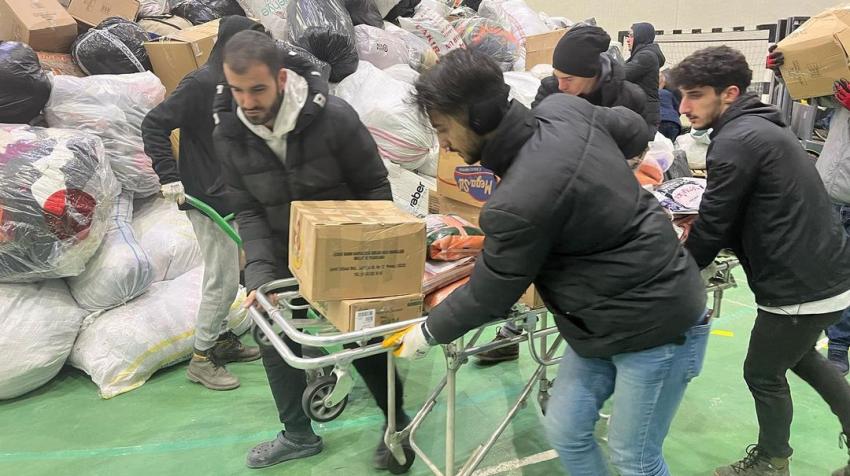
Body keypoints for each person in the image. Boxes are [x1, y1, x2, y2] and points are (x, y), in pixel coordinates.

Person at [385, 49, 710, 476]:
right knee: (566, 430)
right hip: (598, 322)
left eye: (444, 128)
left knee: (635, 458)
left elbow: (490, 292)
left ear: (480, 117)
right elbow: (631, 126)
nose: (443, 144)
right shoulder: (563, 109)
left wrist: (427, 332)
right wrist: (615, 171)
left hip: (659, 325)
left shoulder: (519, 200)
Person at [212, 31, 413, 471]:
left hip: (348, 247)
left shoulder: (334, 118)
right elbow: (247, 208)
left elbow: (374, 185)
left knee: (364, 338)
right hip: (286, 251)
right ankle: (298, 435)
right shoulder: (229, 134)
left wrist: (366, 252)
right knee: (271, 332)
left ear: (282, 79)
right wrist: (261, 275)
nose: (247, 101)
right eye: (238, 90)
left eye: (258, 89)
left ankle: (397, 426)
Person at [670, 45, 850, 476]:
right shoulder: (760, 125)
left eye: (695, 95)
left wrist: (674, 271)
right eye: (682, 95)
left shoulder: (736, 140)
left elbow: (715, 224)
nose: (683, 106)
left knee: (762, 373)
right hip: (824, 269)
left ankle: (772, 461)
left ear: (729, 93)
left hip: (798, 282)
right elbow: (739, 209)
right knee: (804, 358)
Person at [141, 16, 263, 391]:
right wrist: (168, 176)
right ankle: (202, 358)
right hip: (204, 196)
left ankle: (222, 338)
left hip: (230, 193)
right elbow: (154, 124)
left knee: (228, 273)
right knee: (223, 280)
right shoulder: (200, 84)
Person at [768, 46, 850, 376]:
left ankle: (839, 345)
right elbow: (816, 91)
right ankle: (813, 341)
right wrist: (785, 71)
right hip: (830, 195)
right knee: (818, 270)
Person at [531, 25, 651, 132]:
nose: (561, 86)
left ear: (591, 73)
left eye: (569, 79)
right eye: (557, 76)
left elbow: (639, 141)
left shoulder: (629, 99)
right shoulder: (549, 91)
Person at [625, 22, 665, 136]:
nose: (628, 40)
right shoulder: (644, 55)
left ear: (640, 36)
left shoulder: (646, 56)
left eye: (631, 35)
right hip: (643, 114)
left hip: (644, 115)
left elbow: (622, 73)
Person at [658, 70, 682, 142]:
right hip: (675, 123)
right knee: (669, 146)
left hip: (660, 122)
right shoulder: (667, 93)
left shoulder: (650, 95)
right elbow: (678, 108)